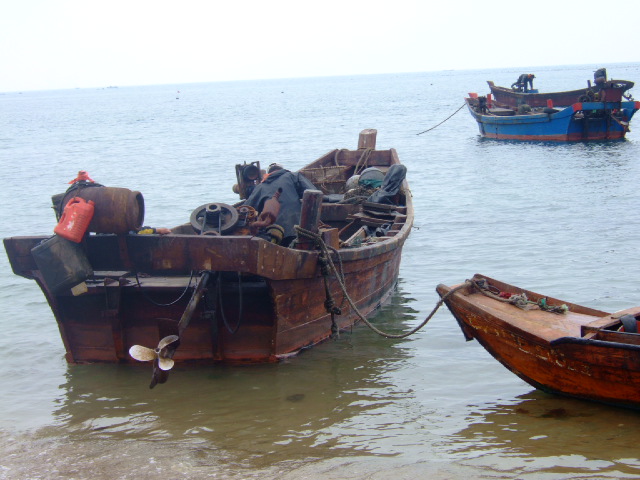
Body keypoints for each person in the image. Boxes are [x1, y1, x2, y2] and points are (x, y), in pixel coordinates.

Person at [242, 163, 316, 245]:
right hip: (297, 231)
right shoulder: (293, 176)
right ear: (281, 170)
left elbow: (245, 209)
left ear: (269, 173)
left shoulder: (260, 187)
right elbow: (314, 192)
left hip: (271, 236)